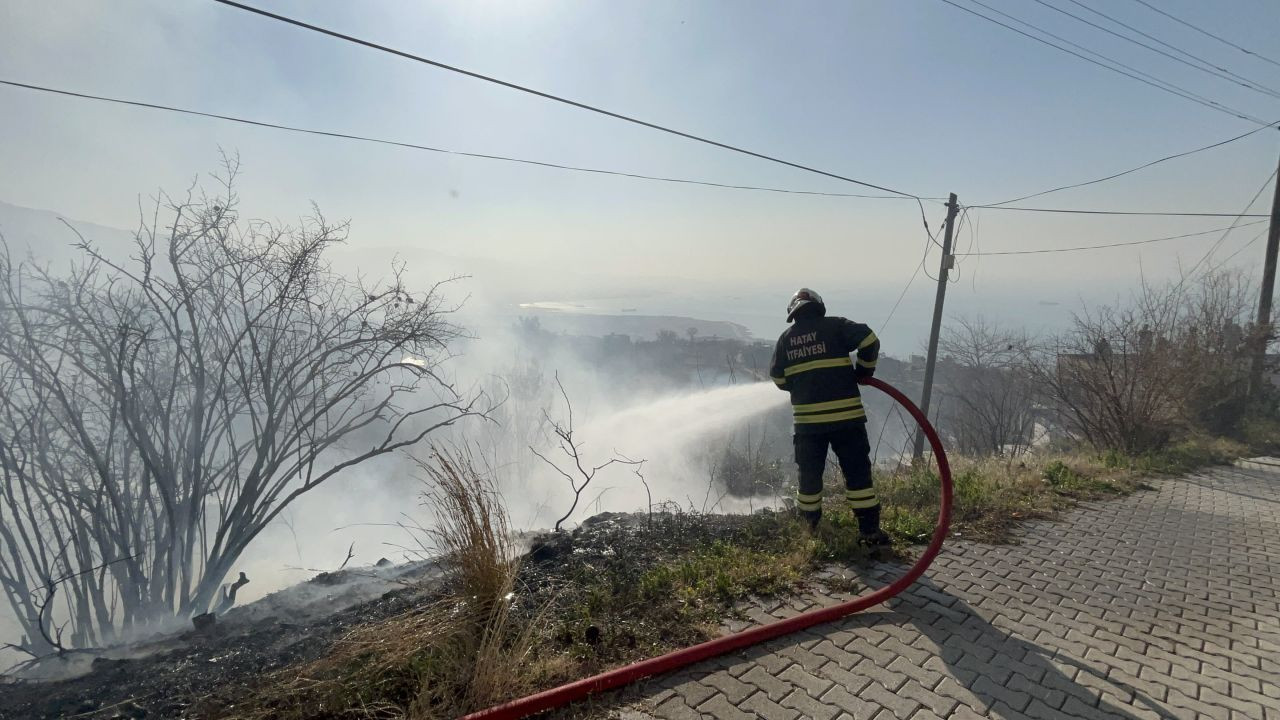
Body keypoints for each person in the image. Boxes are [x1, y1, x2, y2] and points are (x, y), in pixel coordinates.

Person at [769, 288, 888, 545]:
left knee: (809, 477)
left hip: (808, 426)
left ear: (793, 313)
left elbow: (778, 378)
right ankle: (869, 532)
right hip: (847, 420)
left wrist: (801, 385)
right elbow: (869, 340)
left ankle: (809, 531)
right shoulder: (836, 327)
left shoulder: (785, 339)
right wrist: (863, 372)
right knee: (857, 474)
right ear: (819, 306)